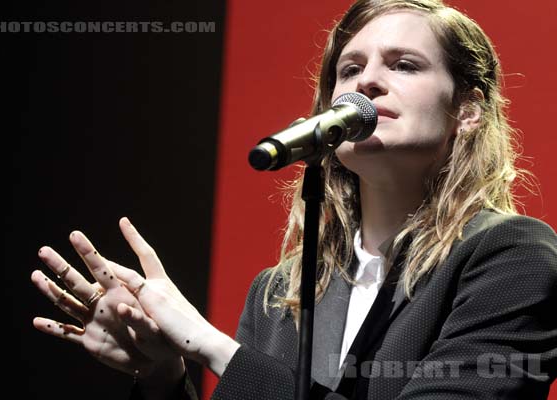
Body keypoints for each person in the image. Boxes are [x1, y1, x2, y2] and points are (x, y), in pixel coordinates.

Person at [31, 0, 557, 398]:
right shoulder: (279, 291)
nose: (367, 81)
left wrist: (209, 343)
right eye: (349, 70)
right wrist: (166, 373)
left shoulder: (512, 255)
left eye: (404, 65)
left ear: (468, 110)